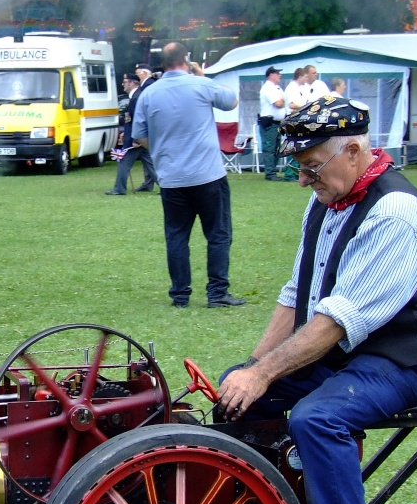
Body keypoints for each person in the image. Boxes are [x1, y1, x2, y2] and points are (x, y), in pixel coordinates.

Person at [215, 95, 417, 504]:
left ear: (353, 149)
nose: (303, 180)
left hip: (399, 362)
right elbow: (298, 292)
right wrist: (251, 369)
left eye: (310, 166)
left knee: (319, 418)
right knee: (237, 390)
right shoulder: (327, 198)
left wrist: (265, 371)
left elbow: (337, 321)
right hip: (342, 350)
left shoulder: (398, 213)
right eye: (298, 168)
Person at [133, 42, 244, 309]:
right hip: (208, 175)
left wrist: (161, 150)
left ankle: (180, 294)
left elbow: (139, 135)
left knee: (177, 236)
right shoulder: (200, 85)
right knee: (218, 234)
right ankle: (217, 293)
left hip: (171, 178)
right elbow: (231, 100)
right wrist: (202, 75)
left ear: (162, 63)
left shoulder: (149, 93)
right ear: (186, 59)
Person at [106, 72, 157, 195]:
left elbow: (138, 120)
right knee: (150, 164)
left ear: (132, 83)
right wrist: (126, 133)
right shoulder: (135, 96)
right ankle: (166, 186)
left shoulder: (136, 98)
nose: (123, 84)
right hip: (138, 138)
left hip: (136, 140)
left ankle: (119, 189)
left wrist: (135, 139)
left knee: (124, 163)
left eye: (125, 82)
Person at [258, 66, 286, 182]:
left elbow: (283, 101)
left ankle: (273, 171)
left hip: (277, 123)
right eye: (277, 73)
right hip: (269, 122)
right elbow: (278, 103)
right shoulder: (268, 88)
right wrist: (283, 101)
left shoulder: (277, 88)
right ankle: (270, 173)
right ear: (271, 75)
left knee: (276, 148)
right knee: (270, 148)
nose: (279, 75)